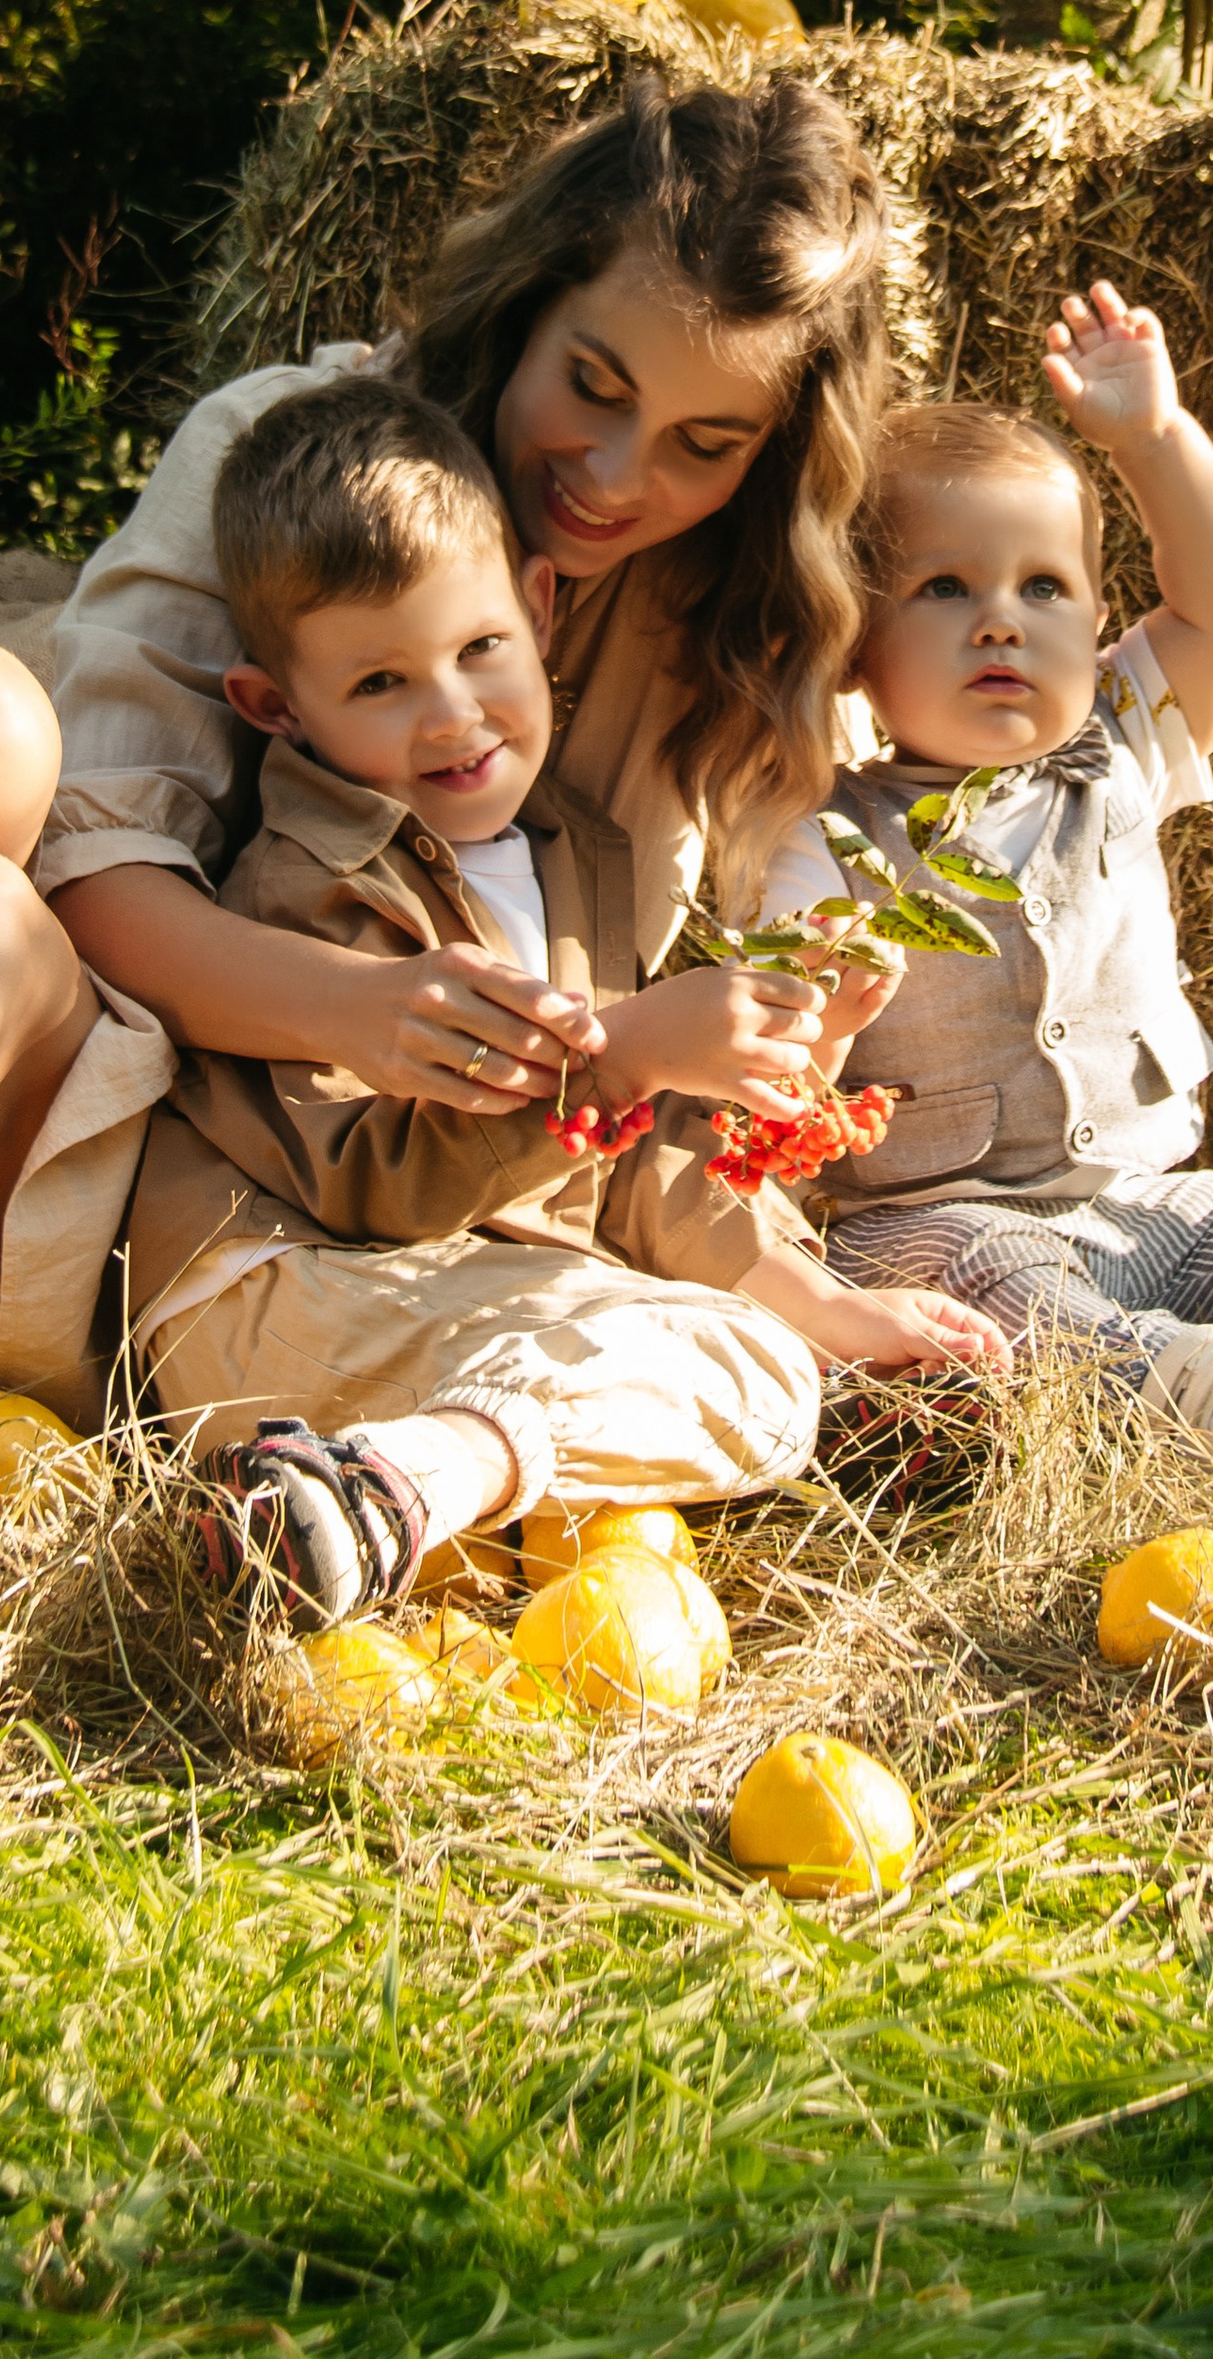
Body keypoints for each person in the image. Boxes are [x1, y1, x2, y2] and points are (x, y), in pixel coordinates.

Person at [0, 74, 948, 1667]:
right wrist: (365, 1003)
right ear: (525, 304)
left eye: (704, 442)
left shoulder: (729, 638)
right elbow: (94, 871)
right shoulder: (287, 451)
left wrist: (809, 1018)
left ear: (777, 448)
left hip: (163, 1258)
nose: (611, 467)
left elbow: (671, 1077)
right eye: (588, 383)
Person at [142, 369, 1004, 1610]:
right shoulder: (312, 888)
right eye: (379, 684)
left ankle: (378, 1488)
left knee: (766, 1367)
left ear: (540, 611)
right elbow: (376, 1185)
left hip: (458, 1300)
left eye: (478, 648)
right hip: (274, 1287)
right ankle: (414, 1482)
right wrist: (628, 1048)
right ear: (276, 709)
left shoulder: (581, 852)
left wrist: (815, 1285)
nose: (451, 715)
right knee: (739, 1372)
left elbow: (628, 1162)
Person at [769, 281, 1213, 1452]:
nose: (1000, 620)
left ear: (1097, 617)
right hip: (935, 1218)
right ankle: (1201, 1394)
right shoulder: (825, 833)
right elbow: (791, 1058)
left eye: (1040, 587)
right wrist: (827, 1021)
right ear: (853, 645)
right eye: (944, 588)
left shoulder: (1123, 743)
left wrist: (1152, 439)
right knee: (995, 1280)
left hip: (1143, 1206)